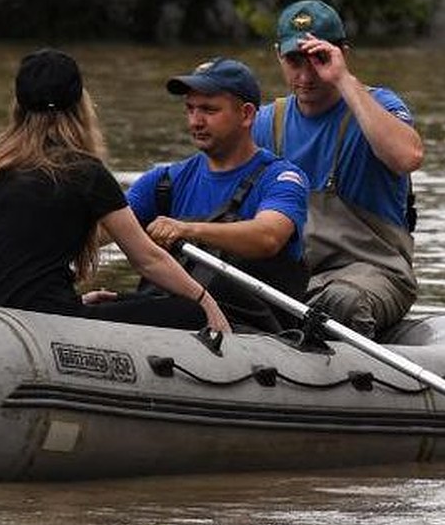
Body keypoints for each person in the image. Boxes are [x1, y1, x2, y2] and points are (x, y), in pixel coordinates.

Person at [0, 48, 230, 333]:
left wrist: (77, 302)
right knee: (187, 312)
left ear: (18, 106)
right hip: (48, 321)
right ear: (80, 105)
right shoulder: (84, 171)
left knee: (115, 301)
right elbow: (147, 259)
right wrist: (205, 301)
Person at [253, 0, 423, 338]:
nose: (305, 75)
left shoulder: (379, 106)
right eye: (294, 61)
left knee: (340, 302)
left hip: (373, 273)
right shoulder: (265, 123)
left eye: (318, 60)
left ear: (341, 53)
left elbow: (408, 157)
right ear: (278, 56)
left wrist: (343, 79)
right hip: (294, 279)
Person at [125, 58, 309, 332]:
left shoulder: (282, 178)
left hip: (253, 329)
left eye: (209, 110)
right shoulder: (164, 181)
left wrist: (187, 229)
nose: (196, 121)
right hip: (172, 314)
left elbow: (268, 236)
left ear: (246, 115)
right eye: (190, 109)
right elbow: (103, 227)